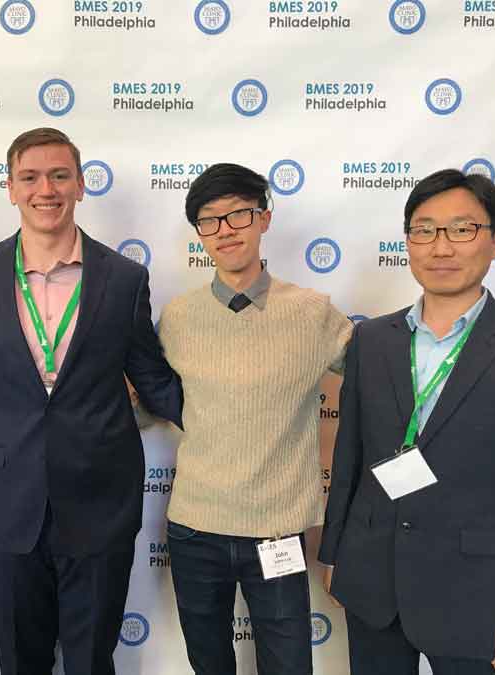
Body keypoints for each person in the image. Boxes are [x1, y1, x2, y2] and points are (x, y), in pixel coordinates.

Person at [0, 127, 183, 675]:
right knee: (20, 659)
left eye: (59, 175)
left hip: (101, 499)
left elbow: (151, 375)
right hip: (7, 502)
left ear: (80, 184)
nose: (45, 188)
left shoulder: (123, 278)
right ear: (11, 188)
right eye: (30, 177)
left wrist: (232, 426)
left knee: (92, 659)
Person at [319, 169, 495, 675]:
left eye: (461, 229)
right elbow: (350, 455)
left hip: (479, 600)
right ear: (408, 242)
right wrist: (335, 557)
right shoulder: (373, 341)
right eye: (424, 230)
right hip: (374, 586)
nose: (440, 247)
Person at [156, 163, 352, 674]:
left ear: (264, 218)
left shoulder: (312, 313)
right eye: (209, 220)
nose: (225, 230)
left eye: (239, 214)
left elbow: (392, 370)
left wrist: (473, 346)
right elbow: (143, 402)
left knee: (288, 665)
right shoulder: (177, 318)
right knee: (208, 663)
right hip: (195, 526)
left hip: (277, 531)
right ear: (198, 233)